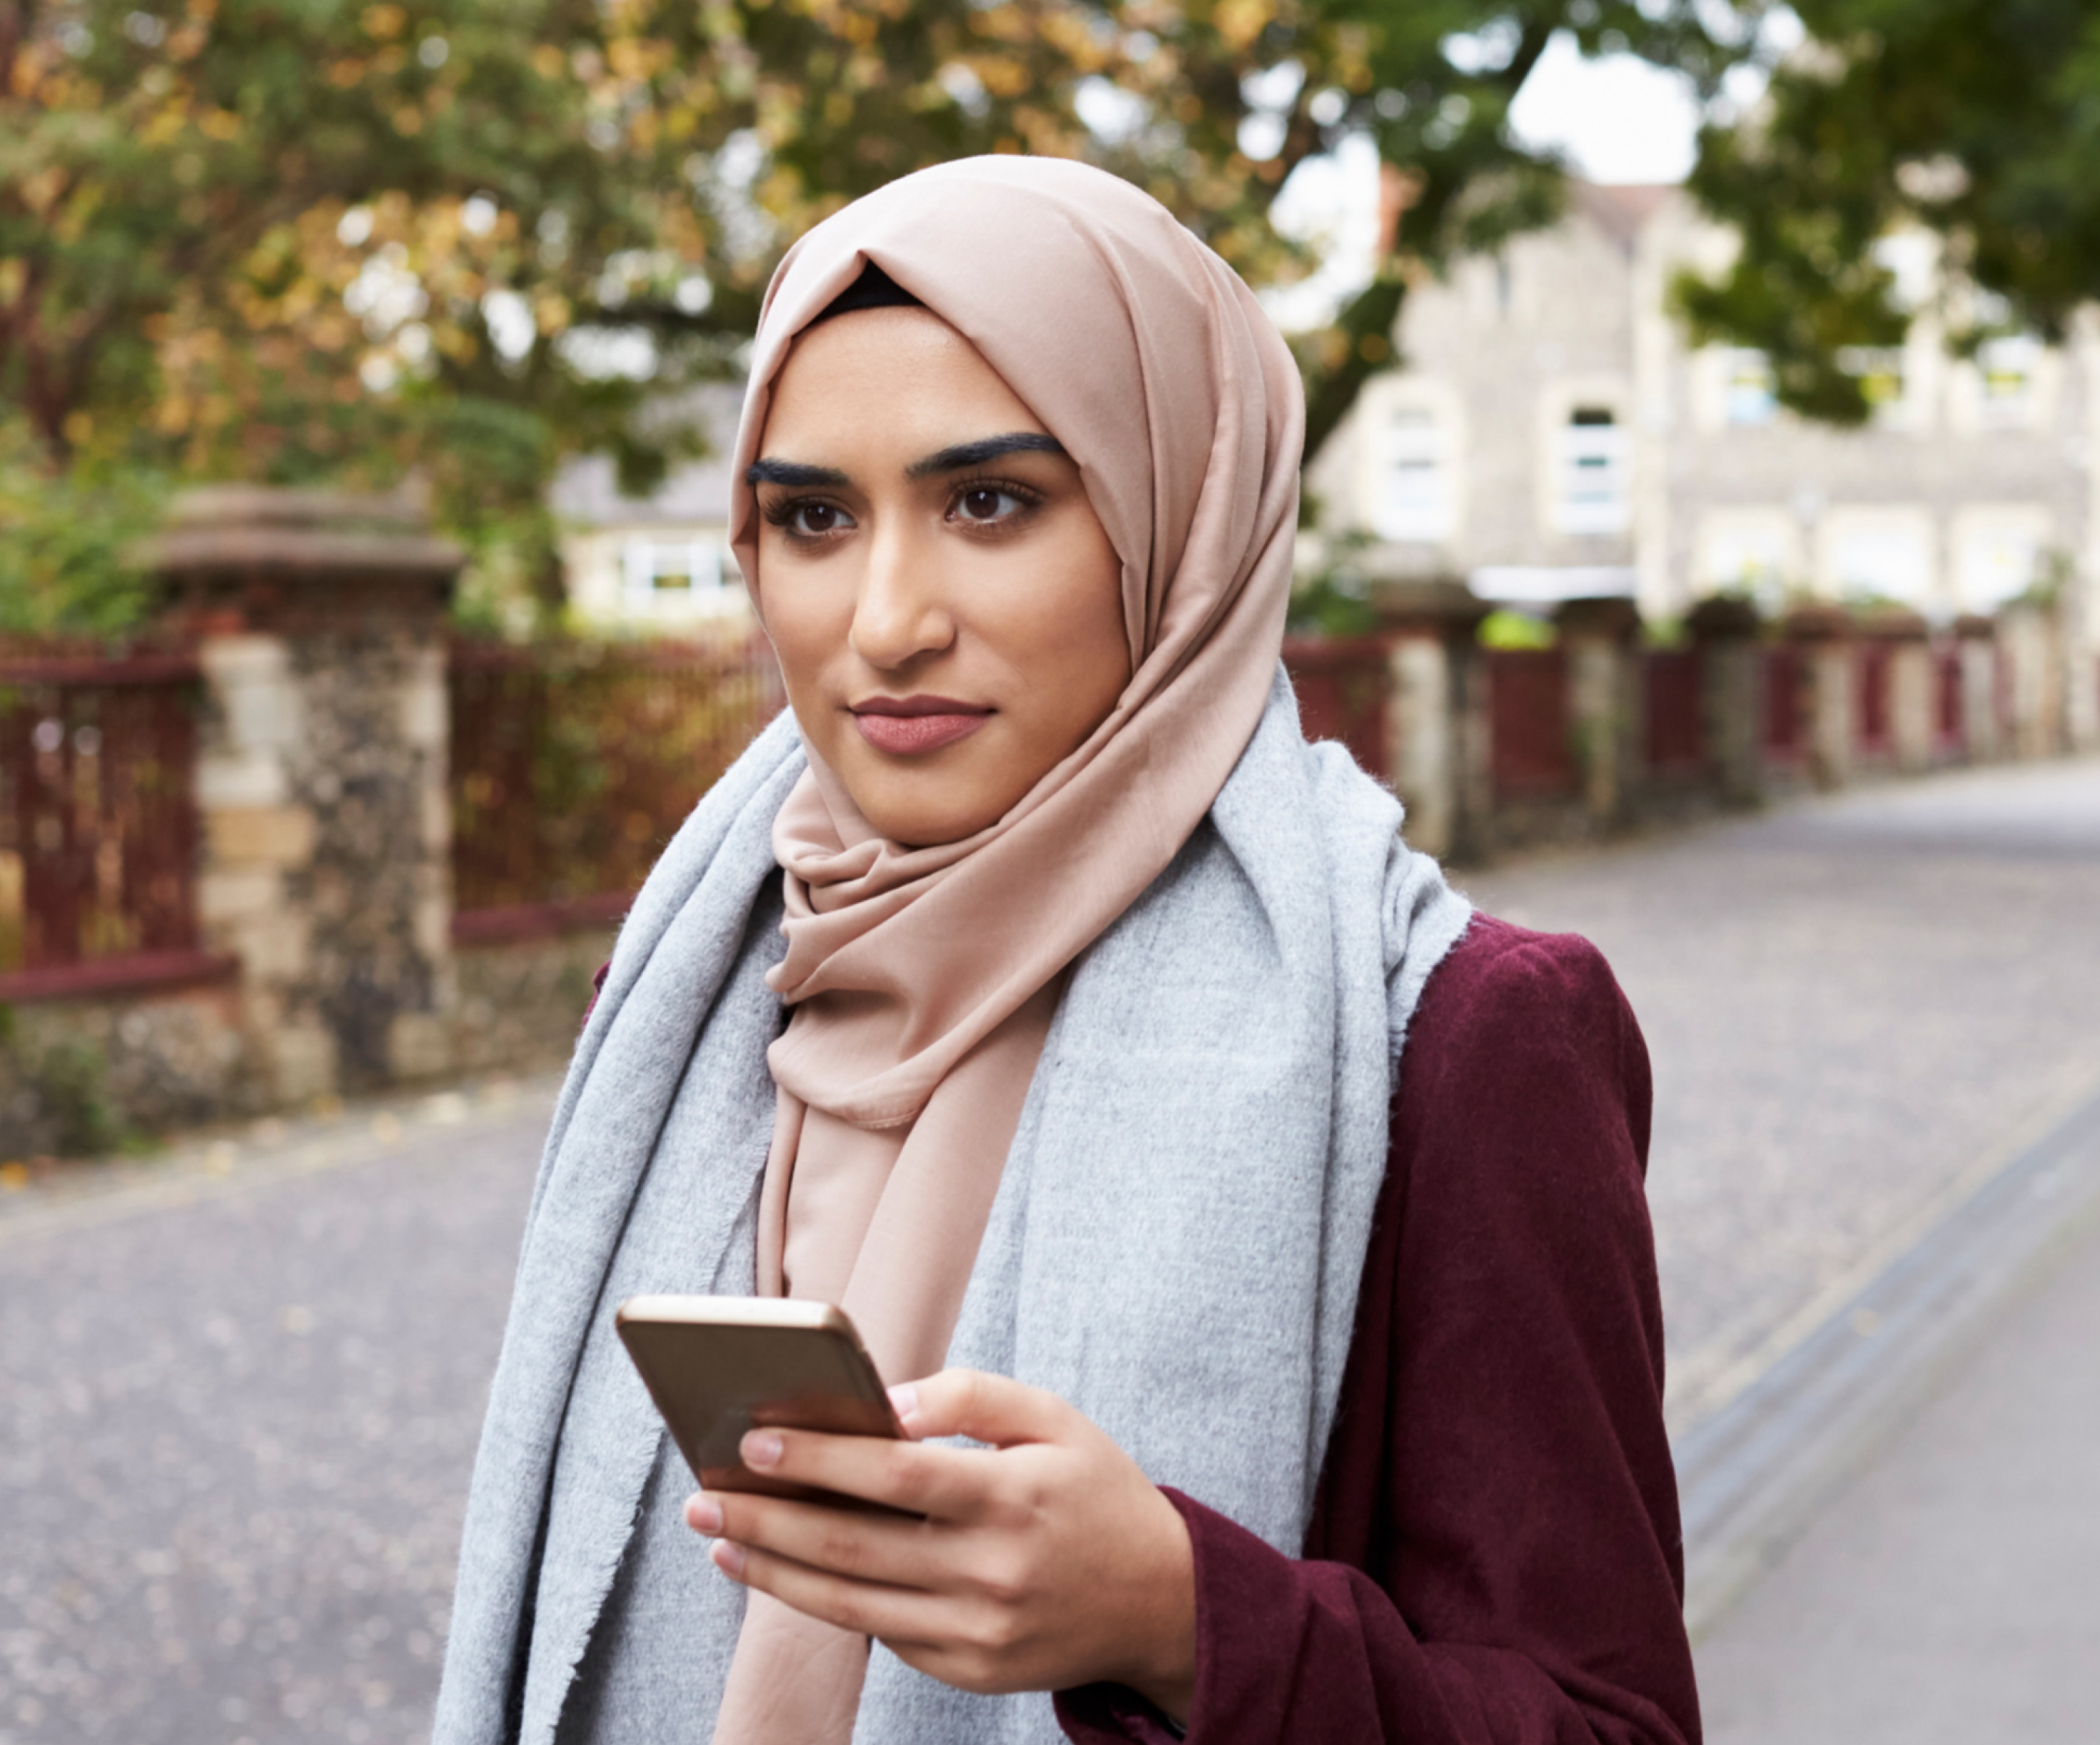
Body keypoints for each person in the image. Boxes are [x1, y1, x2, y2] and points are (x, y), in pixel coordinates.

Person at [433, 156, 1696, 1745]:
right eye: (812, 516)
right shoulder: (689, 989)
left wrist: (1178, 1619)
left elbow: (1608, 1721)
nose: (883, 617)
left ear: (1172, 523)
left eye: (989, 500)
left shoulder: (1453, 1033)